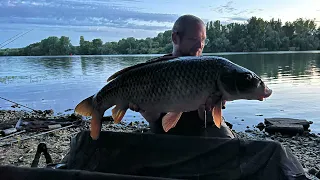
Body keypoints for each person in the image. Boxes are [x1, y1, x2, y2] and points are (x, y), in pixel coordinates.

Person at [129, 14, 236, 138]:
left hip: (201, 127)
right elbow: (154, 118)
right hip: (165, 129)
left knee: (228, 141)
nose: (200, 45)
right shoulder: (153, 69)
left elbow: (208, 119)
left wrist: (210, 111)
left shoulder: (210, 70)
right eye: (194, 39)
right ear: (175, 38)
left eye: (203, 40)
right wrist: (142, 108)